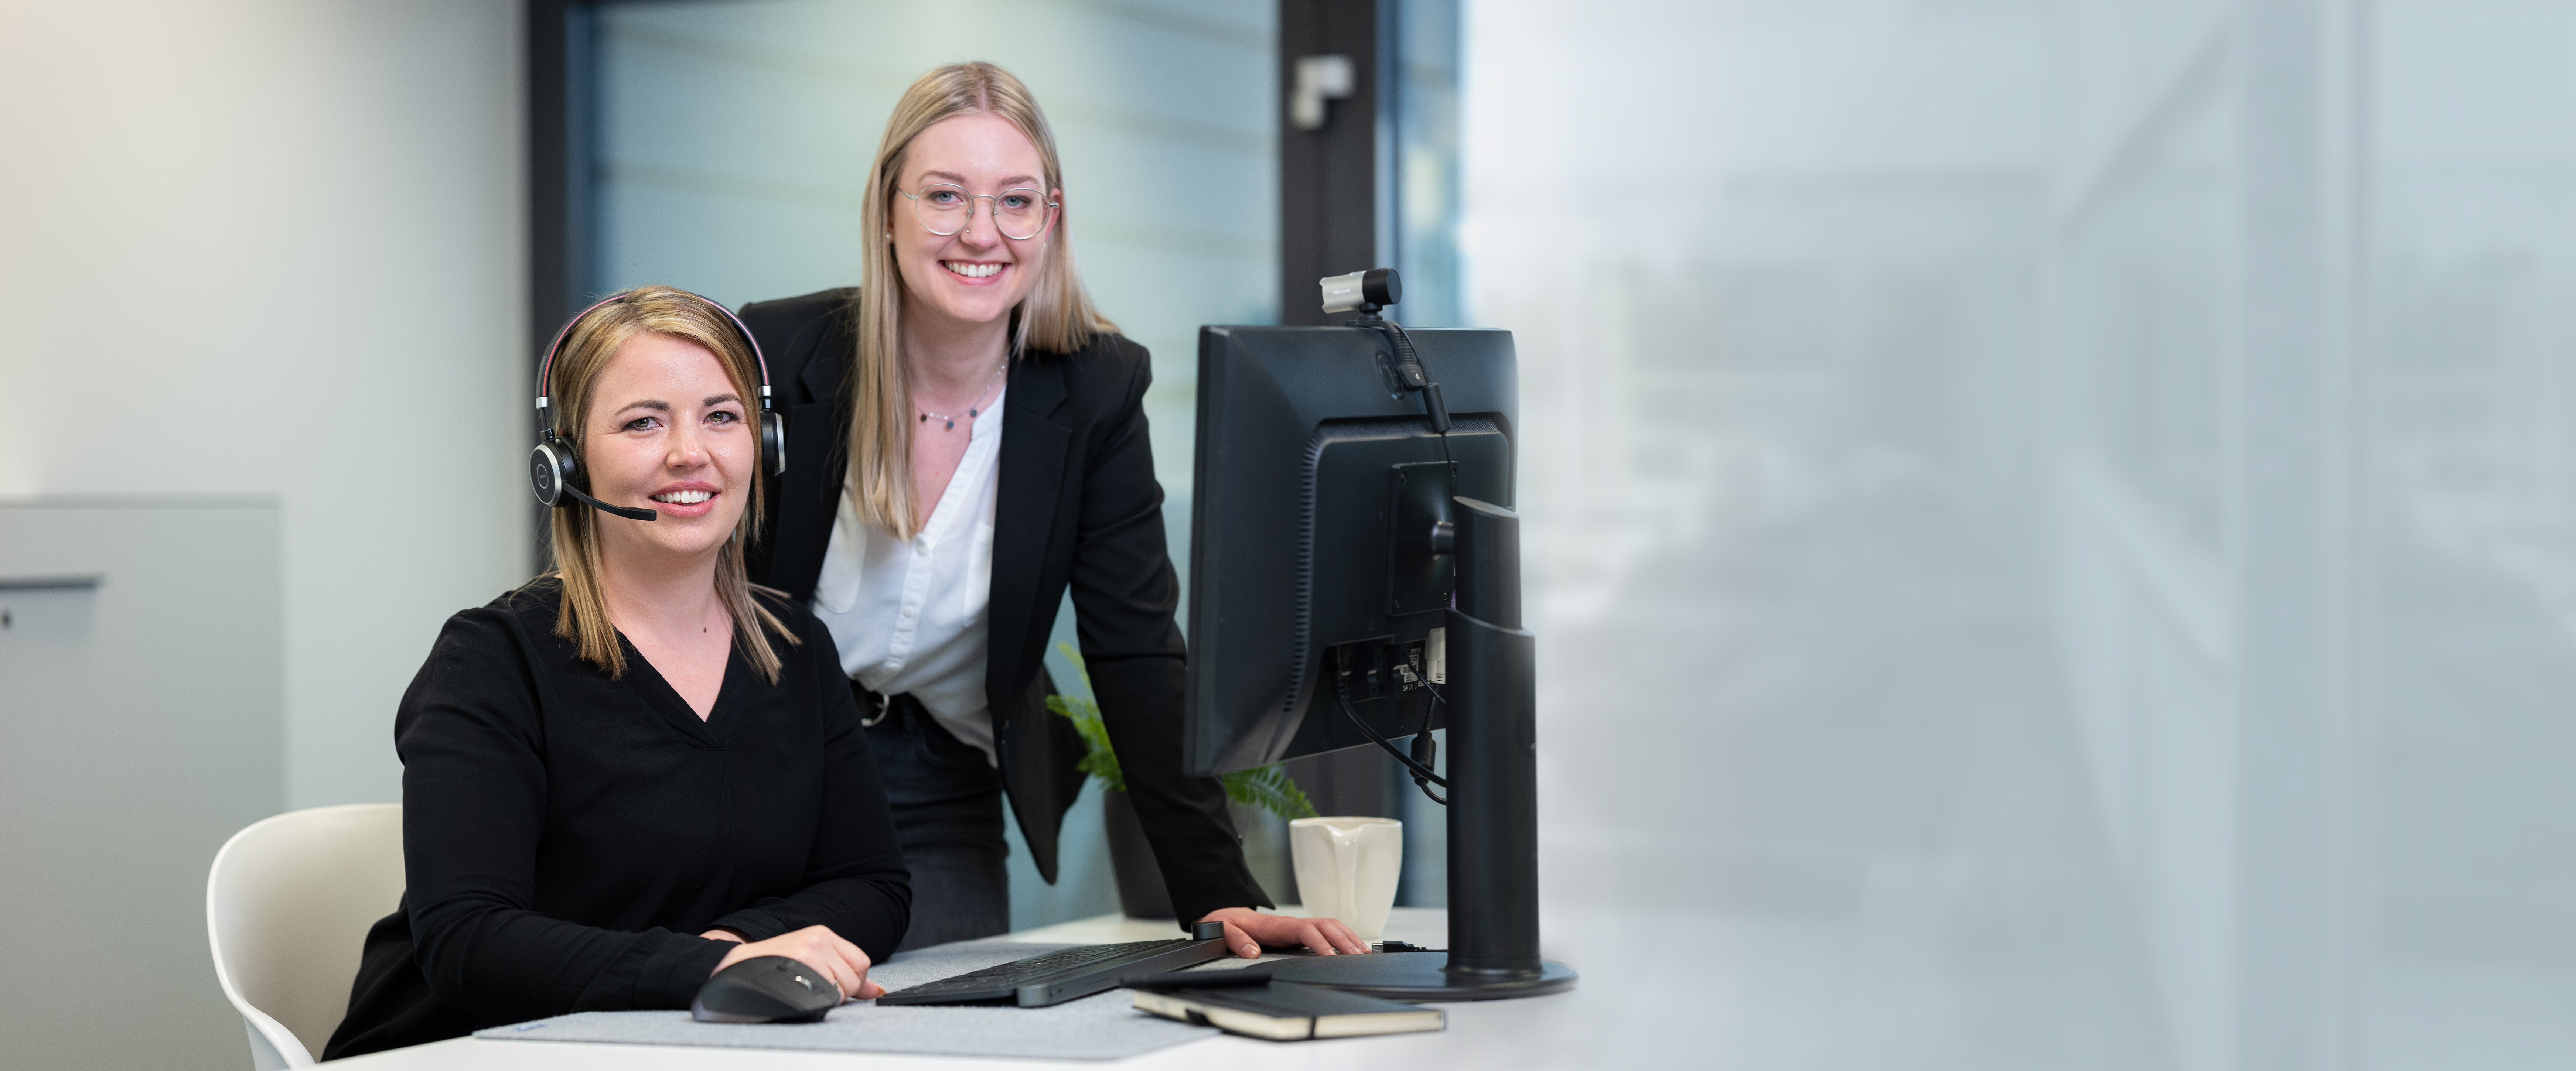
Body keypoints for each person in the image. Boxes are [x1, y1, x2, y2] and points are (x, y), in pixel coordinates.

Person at [737, 61, 1365, 959]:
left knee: (948, 1038)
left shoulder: (1097, 389)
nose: (981, 233)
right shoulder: (776, 351)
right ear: (887, 208)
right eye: (945, 195)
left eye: (1015, 201)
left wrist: (1220, 894)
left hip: (942, 778)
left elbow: (1138, 652)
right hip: (762, 760)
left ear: (1051, 218)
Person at [323, 287, 910, 1060]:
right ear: (565, 463)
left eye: (721, 416)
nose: (689, 452)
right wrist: (708, 966)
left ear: (763, 444)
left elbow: (873, 885)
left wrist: (739, 947)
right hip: (464, 1049)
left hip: (664, 1041)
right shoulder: (492, 660)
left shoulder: (794, 646)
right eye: (642, 422)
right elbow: (469, 940)